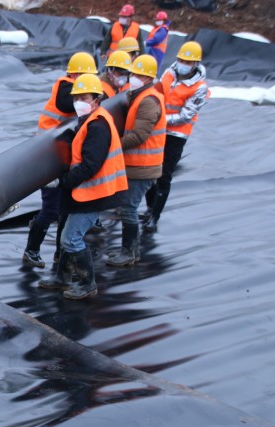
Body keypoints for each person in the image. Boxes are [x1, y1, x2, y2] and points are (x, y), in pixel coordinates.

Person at [38, 74, 128, 299]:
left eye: (84, 97)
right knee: (65, 236)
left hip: (94, 193)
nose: (79, 101)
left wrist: (62, 182)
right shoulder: (90, 119)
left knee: (70, 238)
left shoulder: (98, 126)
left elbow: (90, 166)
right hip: (82, 192)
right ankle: (62, 278)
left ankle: (88, 284)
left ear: (96, 99)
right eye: (76, 97)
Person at [24, 52, 98, 269]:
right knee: (51, 209)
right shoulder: (65, 88)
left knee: (63, 209)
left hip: (61, 158)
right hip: (49, 158)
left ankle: (59, 254)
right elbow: (67, 105)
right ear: (75, 74)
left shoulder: (74, 92)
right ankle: (32, 250)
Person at [107, 55, 165, 267]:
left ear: (149, 78)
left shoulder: (149, 101)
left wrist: (112, 145)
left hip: (144, 167)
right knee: (127, 207)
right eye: (133, 73)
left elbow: (140, 135)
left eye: (140, 75)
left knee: (128, 208)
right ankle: (130, 251)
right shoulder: (138, 96)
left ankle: (129, 252)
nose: (134, 78)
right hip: (137, 165)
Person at [144, 41, 208, 233]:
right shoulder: (169, 73)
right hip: (159, 128)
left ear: (195, 64)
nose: (182, 63)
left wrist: (159, 118)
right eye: (181, 59)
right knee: (149, 169)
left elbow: (185, 115)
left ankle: (155, 216)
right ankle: (149, 208)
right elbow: (158, 92)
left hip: (176, 134)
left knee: (164, 175)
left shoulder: (199, 87)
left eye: (187, 61)